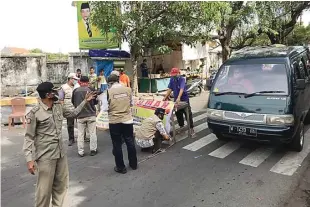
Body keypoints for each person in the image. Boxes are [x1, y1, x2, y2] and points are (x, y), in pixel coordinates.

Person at [23, 82, 96, 207]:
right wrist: (29, 159)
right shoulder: (35, 113)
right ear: (47, 95)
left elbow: (73, 114)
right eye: (53, 91)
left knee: (61, 187)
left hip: (61, 154)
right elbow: (29, 137)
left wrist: (85, 101)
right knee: (44, 192)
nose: (56, 93)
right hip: (45, 156)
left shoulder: (58, 106)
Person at [104, 74, 137, 174]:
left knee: (117, 144)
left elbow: (105, 108)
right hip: (127, 120)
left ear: (110, 83)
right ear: (118, 80)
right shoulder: (128, 89)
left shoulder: (108, 92)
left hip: (114, 121)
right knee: (130, 141)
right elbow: (132, 103)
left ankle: (121, 167)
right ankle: (133, 164)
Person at [163, 67, 195, 136]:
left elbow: (181, 89)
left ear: (178, 73)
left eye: (175, 75)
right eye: (173, 75)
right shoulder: (172, 80)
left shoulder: (182, 79)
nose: (174, 76)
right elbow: (170, 89)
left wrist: (179, 97)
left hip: (184, 99)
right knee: (178, 114)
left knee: (188, 114)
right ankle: (181, 127)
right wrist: (165, 97)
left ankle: (191, 128)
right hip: (176, 100)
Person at [72, 76, 98, 157]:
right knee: (92, 133)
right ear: (88, 82)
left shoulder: (75, 91)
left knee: (80, 134)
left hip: (80, 115)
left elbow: (73, 102)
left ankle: (81, 151)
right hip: (91, 115)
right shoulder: (91, 90)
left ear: (80, 82)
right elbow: (95, 102)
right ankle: (93, 150)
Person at [59, 73, 80, 146]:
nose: (75, 81)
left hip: (77, 107)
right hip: (68, 108)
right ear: (70, 79)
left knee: (80, 123)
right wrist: (62, 109)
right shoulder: (63, 87)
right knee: (70, 124)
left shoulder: (77, 87)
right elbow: (61, 99)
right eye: (74, 79)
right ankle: (71, 139)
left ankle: (82, 137)